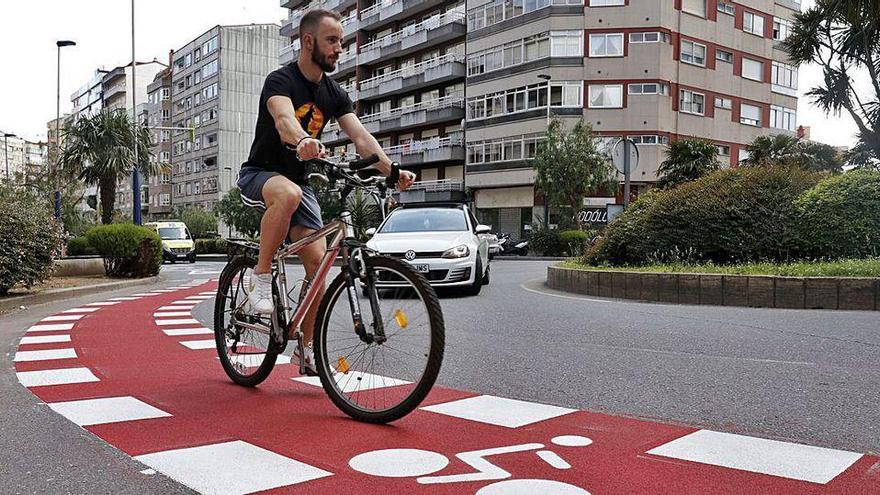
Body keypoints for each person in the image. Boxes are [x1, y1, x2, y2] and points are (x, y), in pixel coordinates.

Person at [237, 9, 416, 374]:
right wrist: (303, 139)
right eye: (332, 41)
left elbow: (362, 138)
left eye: (342, 42)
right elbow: (284, 118)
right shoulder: (281, 80)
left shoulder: (333, 92)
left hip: (300, 185)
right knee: (288, 194)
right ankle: (259, 275)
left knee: (319, 268)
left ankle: (305, 347)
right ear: (308, 42)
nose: (339, 49)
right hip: (260, 174)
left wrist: (392, 169)